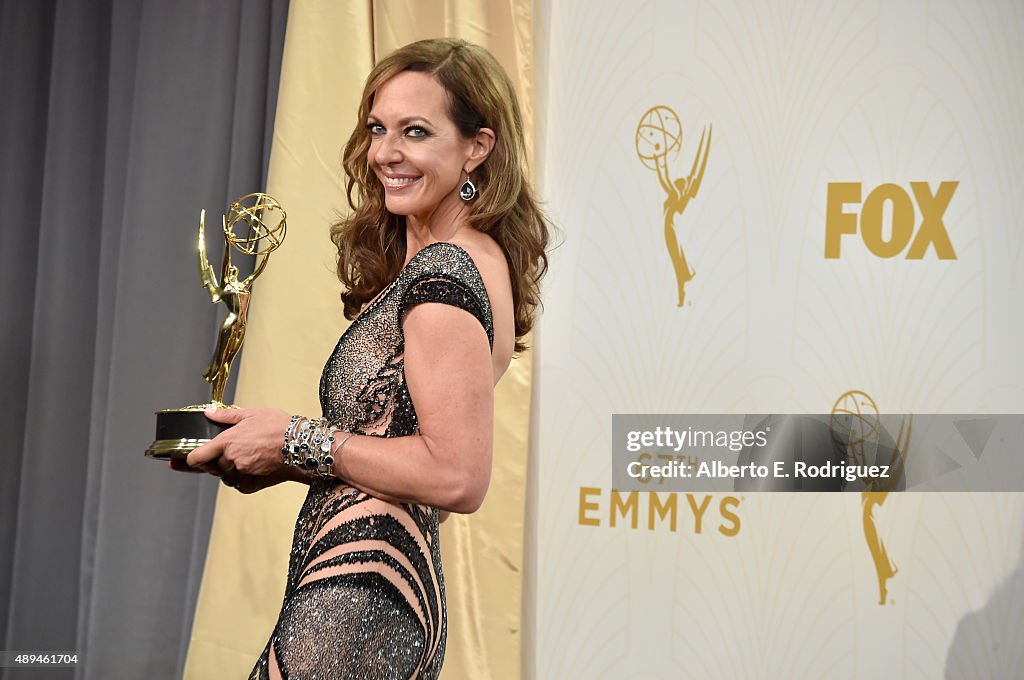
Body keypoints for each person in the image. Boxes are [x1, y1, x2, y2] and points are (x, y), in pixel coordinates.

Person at [172, 38, 549, 679]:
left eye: (416, 131)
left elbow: (458, 474)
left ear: (477, 148)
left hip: (362, 590)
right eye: (378, 128)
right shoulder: (467, 263)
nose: (384, 153)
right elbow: (395, 442)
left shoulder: (445, 274)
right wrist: (279, 456)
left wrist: (296, 440)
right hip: (374, 579)